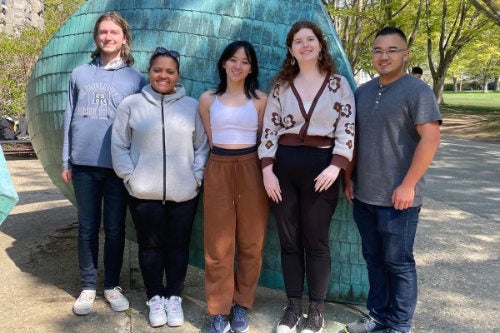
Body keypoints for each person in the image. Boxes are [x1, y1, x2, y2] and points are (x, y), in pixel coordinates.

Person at [258, 21, 356, 333]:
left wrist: (336, 166)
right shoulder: (280, 87)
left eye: (310, 39)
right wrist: (267, 171)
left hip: (322, 169)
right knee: (289, 241)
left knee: (316, 241)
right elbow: (269, 130)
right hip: (283, 169)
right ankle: (293, 308)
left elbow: (347, 128)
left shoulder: (338, 85)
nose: (304, 45)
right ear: (290, 50)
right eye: (298, 41)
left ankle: (316, 311)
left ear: (320, 45)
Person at [343, 27, 441, 333]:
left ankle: (400, 325)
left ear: (405, 55)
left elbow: (431, 139)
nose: (383, 56)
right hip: (364, 196)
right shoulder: (363, 92)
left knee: (398, 263)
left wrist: (408, 184)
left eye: (391, 50)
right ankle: (378, 316)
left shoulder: (417, 91)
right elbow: (355, 140)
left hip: (399, 200)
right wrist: (349, 178)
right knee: (373, 261)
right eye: (378, 50)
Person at [111, 47, 209, 328]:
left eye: (169, 71)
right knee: (150, 246)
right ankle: (155, 296)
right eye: (157, 70)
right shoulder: (131, 105)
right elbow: (119, 144)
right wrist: (130, 177)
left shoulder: (191, 106)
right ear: (149, 72)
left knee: (178, 247)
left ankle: (174, 298)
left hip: (184, 191)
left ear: (177, 75)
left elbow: (202, 145)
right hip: (143, 191)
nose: (163, 75)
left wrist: (196, 177)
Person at [61, 11, 146, 316]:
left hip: (117, 167)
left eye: (114, 32)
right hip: (83, 164)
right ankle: (87, 286)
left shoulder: (136, 79)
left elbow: (142, 125)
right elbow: (69, 117)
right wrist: (65, 159)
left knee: (114, 228)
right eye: (102, 32)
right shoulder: (79, 74)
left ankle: (111, 285)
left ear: (124, 38)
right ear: (96, 37)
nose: (107, 37)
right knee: (86, 227)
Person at [199, 41, 270, 333]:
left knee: (251, 242)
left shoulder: (260, 100)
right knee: (217, 245)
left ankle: (241, 304)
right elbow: (208, 139)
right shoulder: (207, 99)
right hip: (218, 167)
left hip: (252, 167)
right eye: (233, 59)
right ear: (224, 63)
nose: (238, 65)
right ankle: (219, 310)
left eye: (244, 61)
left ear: (251, 67)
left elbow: (267, 140)